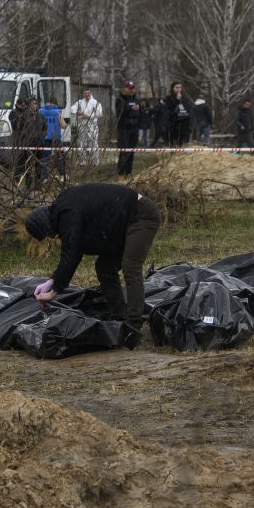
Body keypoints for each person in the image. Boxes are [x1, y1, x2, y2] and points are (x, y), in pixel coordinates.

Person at [25, 183, 161, 330]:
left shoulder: (67, 213)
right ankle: (119, 316)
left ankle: (133, 324)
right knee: (104, 267)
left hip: (141, 215)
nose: (52, 236)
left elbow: (71, 252)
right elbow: (75, 250)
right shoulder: (63, 210)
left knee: (131, 266)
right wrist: (53, 280)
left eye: (48, 234)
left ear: (45, 225)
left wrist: (55, 290)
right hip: (120, 224)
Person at [115, 80, 142, 180]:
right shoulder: (120, 100)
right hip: (124, 129)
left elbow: (140, 113)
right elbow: (119, 113)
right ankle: (121, 174)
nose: (131, 90)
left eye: (132, 88)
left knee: (131, 152)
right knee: (124, 151)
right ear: (124, 88)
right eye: (129, 88)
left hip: (134, 129)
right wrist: (130, 109)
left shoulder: (137, 100)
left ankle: (129, 172)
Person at [70, 88, 103, 167]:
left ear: (90, 93)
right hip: (82, 125)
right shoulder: (80, 102)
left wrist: (88, 116)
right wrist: (78, 112)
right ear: (83, 94)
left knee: (93, 143)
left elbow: (99, 113)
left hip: (92, 126)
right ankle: (82, 162)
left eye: (88, 93)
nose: (87, 95)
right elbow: (72, 109)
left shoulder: (95, 102)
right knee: (81, 143)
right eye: (85, 93)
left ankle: (95, 162)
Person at [39, 95, 67, 181]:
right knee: (59, 157)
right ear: (55, 103)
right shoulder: (57, 112)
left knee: (45, 158)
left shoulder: (40, 111)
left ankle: (44, 177)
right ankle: (62, 175)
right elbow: (63, 125)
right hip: (56, 138)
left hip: (45, 138)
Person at [163, 82, 193, 147]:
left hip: (182, 125)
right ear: (173, 88)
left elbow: (189, 111)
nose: (178, 89)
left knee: (180, 144)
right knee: (172, 144)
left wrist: (189, 125)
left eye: (180, 87)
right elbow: (169, 111)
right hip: (172, 125)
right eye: (176, 87)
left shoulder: (185, 99)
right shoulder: (168, 98)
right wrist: (177, 100)